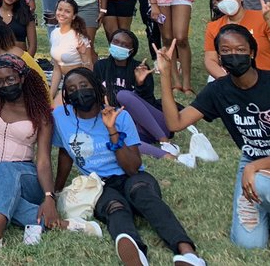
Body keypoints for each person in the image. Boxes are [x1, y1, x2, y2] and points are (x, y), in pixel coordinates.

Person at [158, 28, 270, 252]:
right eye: (226, 51)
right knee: (248, 243)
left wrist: (254, 168)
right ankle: (269, 199)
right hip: (254, 161)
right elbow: (175, 123)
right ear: (219, 58)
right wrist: (165, 73)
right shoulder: (217, 91)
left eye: (240, 50)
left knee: (263, 184)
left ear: (252, 53)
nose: (233, 55)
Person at [54, 68, 206, 266]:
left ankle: (188, 254)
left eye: (84, 85)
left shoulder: (121, 117)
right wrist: (56, 189)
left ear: (96, 87)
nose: (79, 91)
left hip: (132, 177)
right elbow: (65, 153)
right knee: (114, 207)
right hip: (99, 184)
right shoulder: (61, 117)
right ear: (66, 95)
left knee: (144, 196)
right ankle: (134, 253)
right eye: (72, 88)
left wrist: (112, 130)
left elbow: (133, 168)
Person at [0, 55, 97, 258]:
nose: (5, 84)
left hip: (25, 174)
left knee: (4, 171)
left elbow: (43, 160)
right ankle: (68, 225)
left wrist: (49, 197)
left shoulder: (39, 112)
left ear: (21, 78)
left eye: (11, 79)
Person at [95, 29, 207, 167]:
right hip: (130, 126)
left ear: (131, 50)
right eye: (116, 42)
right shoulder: (100, 66)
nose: (119, 46)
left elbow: (148, 103)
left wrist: (140, 84)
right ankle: (171, 157)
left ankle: (165, 142)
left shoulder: (139, 68)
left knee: (123, 95)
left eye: (124, 45)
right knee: (119, 139)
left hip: (153, 123)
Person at [48, 0, 97, 97]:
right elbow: (57, 69)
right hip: (65, 82)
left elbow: (89, 69)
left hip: (80, 84)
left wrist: (83, 55)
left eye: (67, 11)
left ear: (74, 16)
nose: (62, 13)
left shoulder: (80, 38)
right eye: (60, 9)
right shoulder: (54, 33)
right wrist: (50, 96)